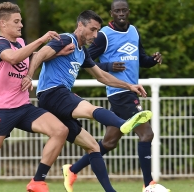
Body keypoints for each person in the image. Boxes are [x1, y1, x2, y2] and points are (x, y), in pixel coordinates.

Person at [0, 2, 75, 192]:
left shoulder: (21, 44)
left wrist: (57, 53)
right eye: (16, 21)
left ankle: (37, 181)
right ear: (3, 24)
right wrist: (42, 39)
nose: (21, 25)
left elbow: (31, 56)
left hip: (23, 107)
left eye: (21, 21)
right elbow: (14, 58)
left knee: (60, 131)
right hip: (3, 109)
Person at [26, 9, 153, 192]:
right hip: (52, 93)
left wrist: (130, 86)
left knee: (93, 146)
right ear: (80, 25)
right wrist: (29, 77)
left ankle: (38, 181)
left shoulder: (82, 52)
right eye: (92, 30)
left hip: (59, 99)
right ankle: (125, 123)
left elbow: (102, 76)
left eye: (97, 31)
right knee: (89, 108)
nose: (95, 35)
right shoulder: (65, 39)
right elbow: (38, 55)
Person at [61, 1, 166, 192]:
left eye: (124, 10)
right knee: (147, 134)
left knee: (108, 142)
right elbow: (85, 61)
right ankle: (149, 184)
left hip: (129, 91)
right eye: (117, 11)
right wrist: (108, 66)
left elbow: (141, 58)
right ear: (112, 13)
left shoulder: (133, 31)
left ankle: (72, 170)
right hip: (119, 93)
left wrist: (152, 60)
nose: (121, 14)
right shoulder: (103, 36)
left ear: (129, 12)